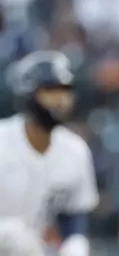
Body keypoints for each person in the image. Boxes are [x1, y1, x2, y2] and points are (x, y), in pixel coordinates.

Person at [0, 51, 99, 256]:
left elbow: (74, 217)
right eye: (50, 90)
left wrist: (75, 243)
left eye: (65, 90)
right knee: (14, 236)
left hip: (33, 248)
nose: (60, 99)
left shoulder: (76, 150)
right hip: (14, 242)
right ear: (27, 93)